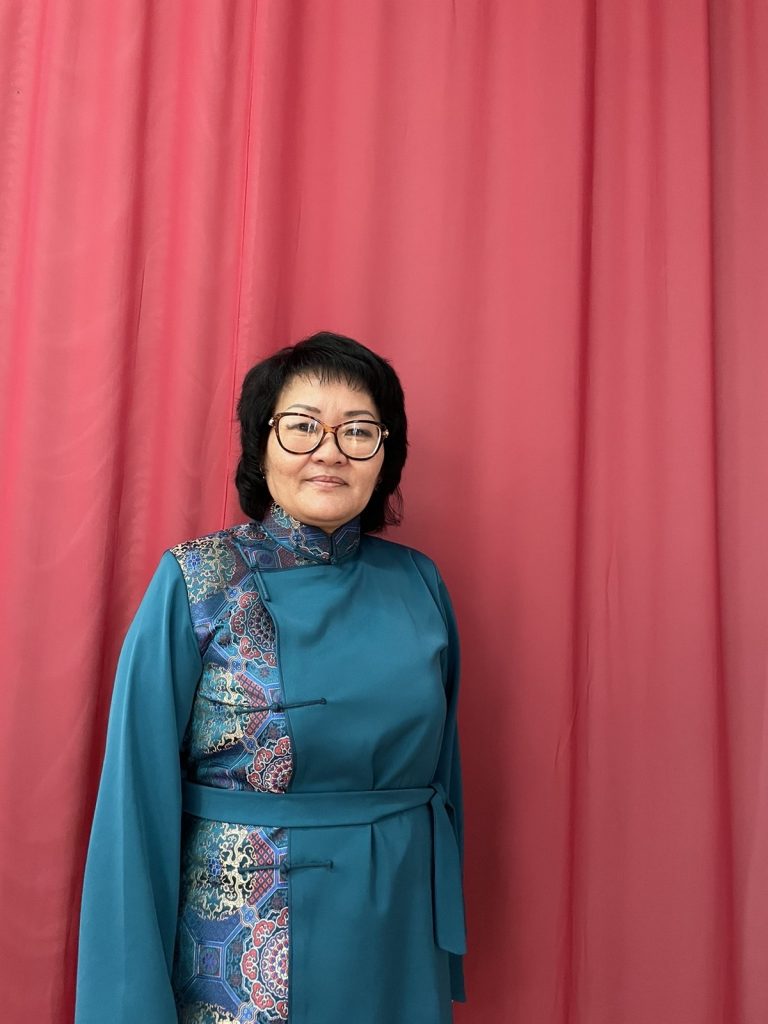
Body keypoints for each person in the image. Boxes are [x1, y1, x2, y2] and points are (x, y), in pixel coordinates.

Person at [75, 331, 466, 1024]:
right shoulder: (199, 579)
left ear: (385, 455)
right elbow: (134, 805)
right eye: (302, 426)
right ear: (261, 446)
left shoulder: (419, 584)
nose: (330, 451)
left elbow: (445, 780)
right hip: (247, 942)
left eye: (358, 431)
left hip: (396, 934)